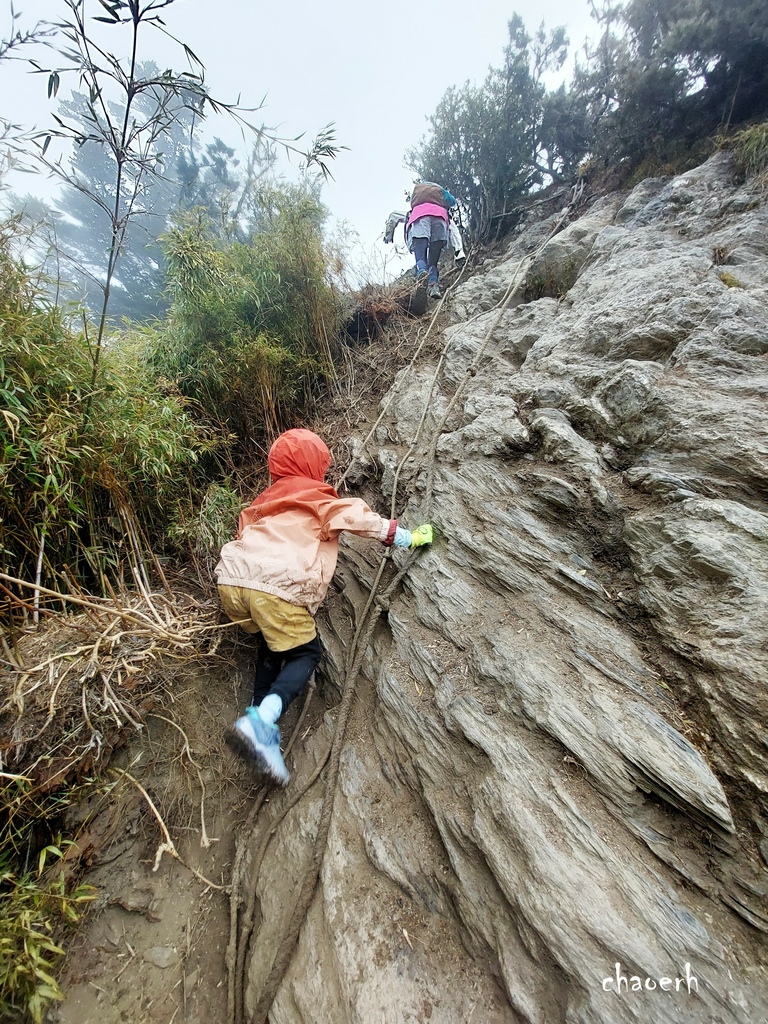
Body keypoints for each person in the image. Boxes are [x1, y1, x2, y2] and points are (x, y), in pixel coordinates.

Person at [216, 428, 433, 786]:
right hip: (276, 587)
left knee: (271, 644)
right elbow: (356, 518)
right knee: (306, 654)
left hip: (232, 582)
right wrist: (407, 536)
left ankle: (258, 729)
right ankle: (260, 723)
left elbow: (244, 532)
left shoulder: (262, 503)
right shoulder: (318, 497)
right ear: (314, 466)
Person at [405, 181, 457, 299]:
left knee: (420, 256)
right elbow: (452, 202)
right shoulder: (439, 190)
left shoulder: (417, 191)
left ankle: (421, 274)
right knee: (433, 261)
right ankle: (433, 286)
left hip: (420, 216)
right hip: (440, 218)